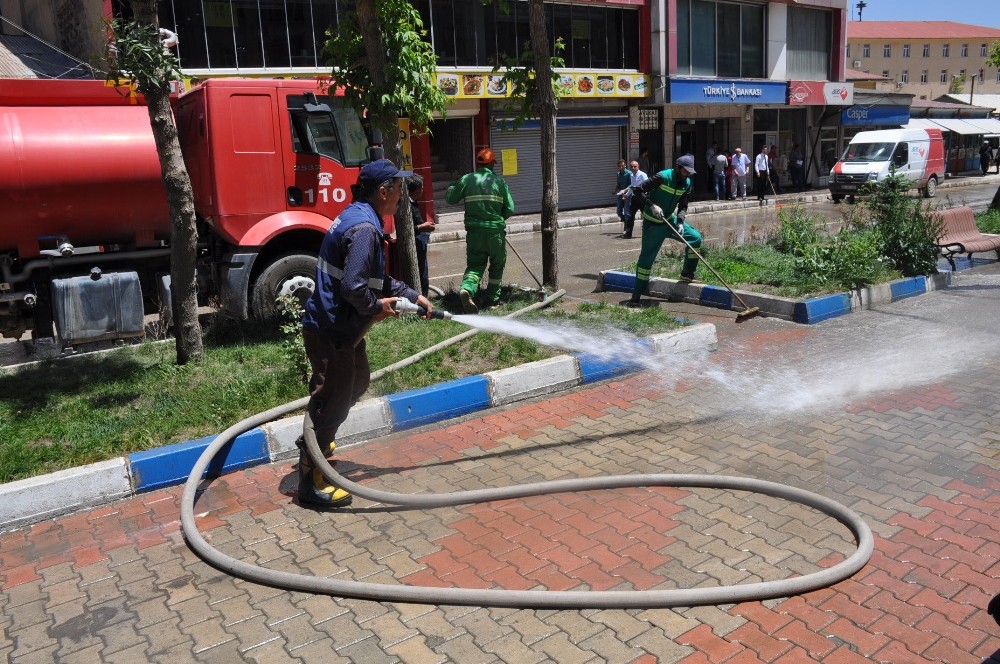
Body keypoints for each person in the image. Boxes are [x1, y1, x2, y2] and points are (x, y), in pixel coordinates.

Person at [299, 158, 434, 510]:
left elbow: (374, 278)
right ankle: (311, 480)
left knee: (357, 382)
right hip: (332, 330)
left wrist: (410, 294)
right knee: (333, 398)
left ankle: (320, 441)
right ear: (383, 192)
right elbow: (354, 288)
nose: (403, 196)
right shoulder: (365, 230)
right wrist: (377, 308)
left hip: (342, 329)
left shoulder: (360, 217)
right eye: (399, 189)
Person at [626, 154, 702, 307]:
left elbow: (683, 205)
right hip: (653, 224)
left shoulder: (687, 183)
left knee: (695, 238)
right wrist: (652, 205)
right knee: (646, 259)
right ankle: (636, 296)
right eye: (685, 171)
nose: (687, 174)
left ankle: (687, 274)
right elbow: (638, 190)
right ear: (677, 167)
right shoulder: (662, 177)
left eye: (689, 172)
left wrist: (680, 222)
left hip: (670, 221)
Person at [446, 148, 515, 312]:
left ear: (478, 163)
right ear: (493, 164)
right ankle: (492, 301)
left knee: (475, 265)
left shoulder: (467, 179)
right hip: (495, 232)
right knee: (497, 265)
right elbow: (510, 208)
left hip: (474, 232)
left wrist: (452, 186)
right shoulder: (499, 182)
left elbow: (450, 199)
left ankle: (467, 288)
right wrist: (498, 220)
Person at [408, 174, 436, 297]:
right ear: (417, 189)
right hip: (416, 241)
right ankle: (422, 297)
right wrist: (422, 227)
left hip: (421, 239)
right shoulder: (406, 206)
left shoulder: (414, 202)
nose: (423, 190)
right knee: (421, 271)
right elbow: (408, 229)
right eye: (421, 187)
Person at [617, 159, 648, 238]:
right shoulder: (632, 175)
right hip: (635, 198)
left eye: (635, 166)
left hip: (642, 198)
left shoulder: (642, 175)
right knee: (630, 215)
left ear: (638, 166)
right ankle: (628, 233)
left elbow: (648, 185)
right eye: (632, 167)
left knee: (646, 216)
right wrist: (627, 195)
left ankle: (647, 232)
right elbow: (632, 187)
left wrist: (645, 195)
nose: (633, 168)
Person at [615, 159, 631, 231]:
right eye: (619, 166)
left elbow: (631, 184)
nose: (621, 167)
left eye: (622, 166)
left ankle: (626, 229)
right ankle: (626, 222)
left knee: (627, 212)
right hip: (620, 194)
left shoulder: (629, 173)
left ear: (625, 165)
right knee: (618, 212)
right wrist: (615, 190)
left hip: (628, 194)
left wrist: (625, 190)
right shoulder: (618, 174)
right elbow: (618, 185)